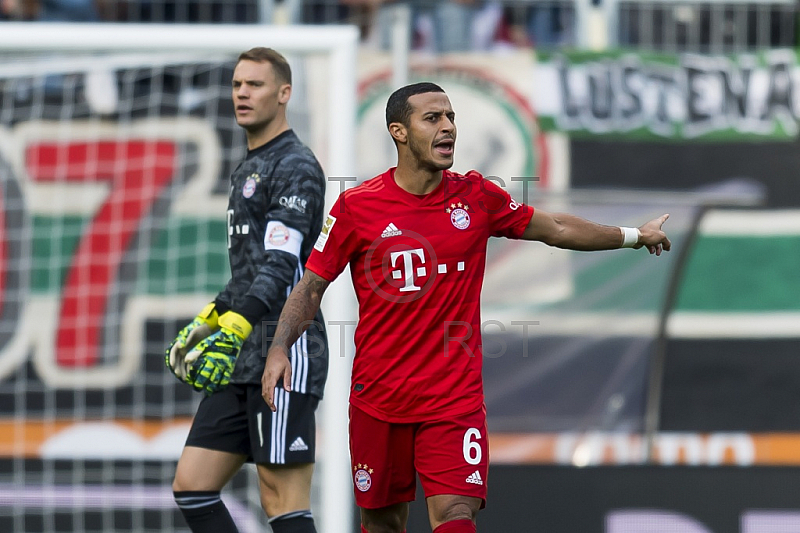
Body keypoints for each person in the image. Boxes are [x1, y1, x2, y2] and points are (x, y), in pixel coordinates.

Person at [261, 81, 671, 533]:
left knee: (456, 515)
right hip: (379, 400)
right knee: (381, 523)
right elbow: (312, 285)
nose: (448, 127)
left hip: (453, 400)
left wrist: (633, 235)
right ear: (399, 131)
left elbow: (554, 227)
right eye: (432, 118)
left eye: (451, 117)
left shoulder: (476, 197)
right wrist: (280, 346)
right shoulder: (357, 207)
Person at [165, 47, 328, 533]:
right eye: (237, 84)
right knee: (192, 486)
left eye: (254, 85)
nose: (242, 93)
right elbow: (249, 271)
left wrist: (235, 326)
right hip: (240, 351)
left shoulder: (296, 164)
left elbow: (282, 264)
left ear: (284, 94)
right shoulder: (248, 166)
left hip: (284, 348)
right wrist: (210, 318)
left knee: (281, 499)